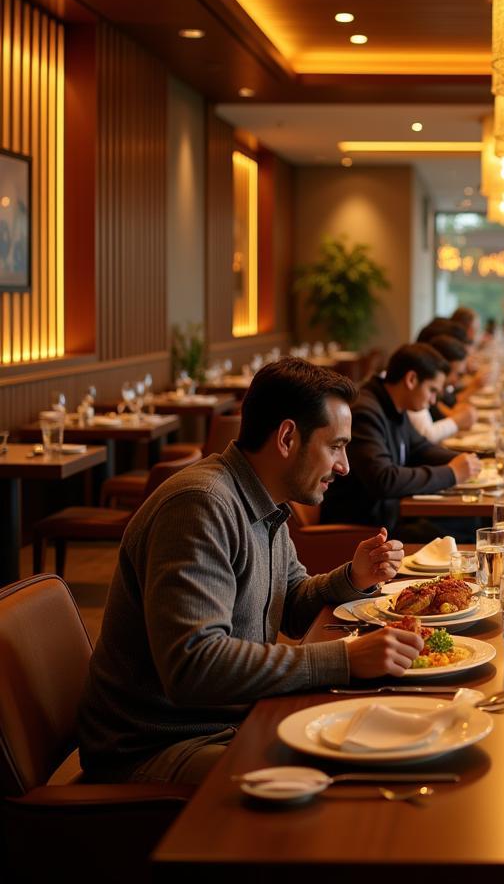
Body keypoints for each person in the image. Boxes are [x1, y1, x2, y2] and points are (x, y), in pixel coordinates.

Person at [78, 358, 426, 785]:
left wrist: (352, 578)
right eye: (335, 446)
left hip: (229, 721)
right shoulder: (201, 506)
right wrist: (344, 659)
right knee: (342, 774)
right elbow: (195, 667)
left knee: (382, 738)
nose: (344, 466)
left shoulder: (264, 498)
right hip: (156, 748)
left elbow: (292, 605)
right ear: (286, 438)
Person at [320, 343, 480, 531]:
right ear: (411, 379)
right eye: (432, 390)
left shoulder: (394, 404)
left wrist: (464, 460)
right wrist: (451, 473)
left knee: (470, 522)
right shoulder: (366, 411)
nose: (433, 400)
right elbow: (383, 479)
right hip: (362, 530)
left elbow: (420, 448)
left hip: (389, 517)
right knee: (466, 528)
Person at [405, 335, 476, 444]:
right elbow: (426, 435)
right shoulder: (416, 391)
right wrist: (457, 420)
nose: (458, 380)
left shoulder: (434, 391)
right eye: (458, 374)